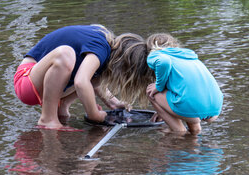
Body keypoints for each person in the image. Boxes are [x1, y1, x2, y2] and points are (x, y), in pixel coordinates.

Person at [14, 24, 153, 130]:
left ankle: (61, 110)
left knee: (95, 74)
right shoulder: (101, 44)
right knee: (65, 54)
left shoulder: (103, 50)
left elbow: (92, 79)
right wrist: (94, 114)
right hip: (27, 80)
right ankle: (48, 119)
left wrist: (113, 103)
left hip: (41, 86)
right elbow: (81, 82)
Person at [146, 33, 223, 135]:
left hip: (191, 108)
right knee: (183, 93)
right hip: (215, 107)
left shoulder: (156, 54)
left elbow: (163, 62)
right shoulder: (188, 55)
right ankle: (195, 133)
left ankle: (180, 134)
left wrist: (158, 86)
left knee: (151, 92)